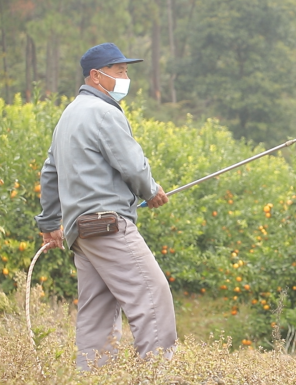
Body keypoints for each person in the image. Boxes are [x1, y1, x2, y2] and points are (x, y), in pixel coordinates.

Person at [34, 42, 177, 370]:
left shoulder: (68, 116)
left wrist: (49, 225)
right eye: (120, 71)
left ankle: (94, 377)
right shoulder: (104, 112)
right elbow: (133, 165)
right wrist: (151, 190)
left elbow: (49, 173)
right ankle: (159, 375)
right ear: (97, 76)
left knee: (96, 317)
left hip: (81, 235)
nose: (126, 77)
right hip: (108, 226)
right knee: (153, 299)